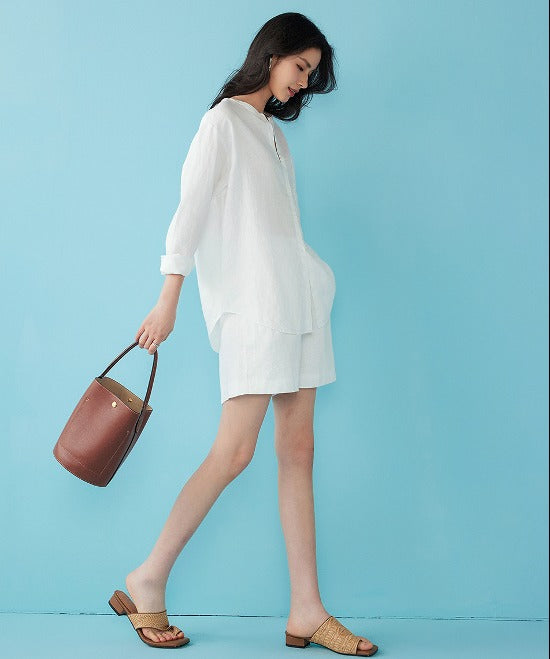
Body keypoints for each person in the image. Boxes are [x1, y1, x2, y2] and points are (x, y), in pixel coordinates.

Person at [111, 11, 378, 656]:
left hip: (301, 307)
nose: (303, 83)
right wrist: (168, 298)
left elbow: (278, 228)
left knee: (299, 451)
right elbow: (190, 213)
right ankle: (147, 578)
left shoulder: (273, 136)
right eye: (300, 67)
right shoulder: (223, 123)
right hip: (255, 311)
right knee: (234, 452)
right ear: (272, 54)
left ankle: (307, 609)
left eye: (312, 75)